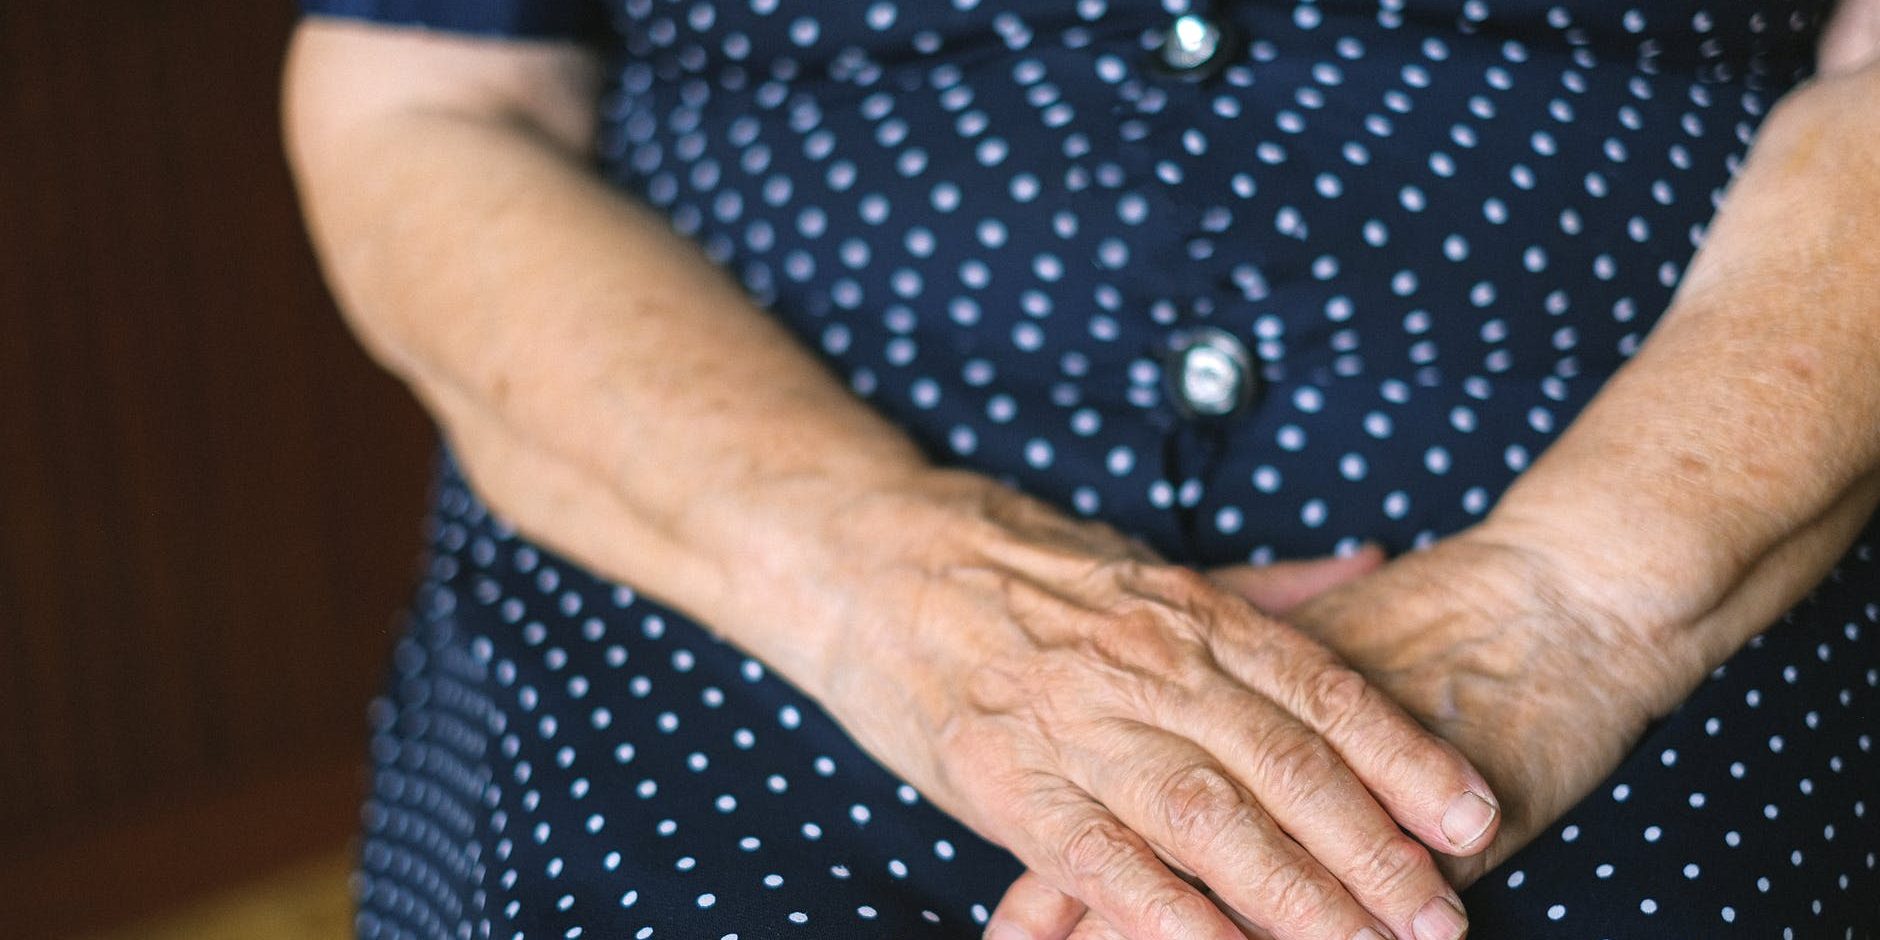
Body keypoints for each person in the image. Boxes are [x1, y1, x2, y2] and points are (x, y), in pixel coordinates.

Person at [283, 0, 1880, 936]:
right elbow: (422, 106)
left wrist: (1581, 607)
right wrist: (877, 573)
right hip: (733, 501)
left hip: (1690, 479)